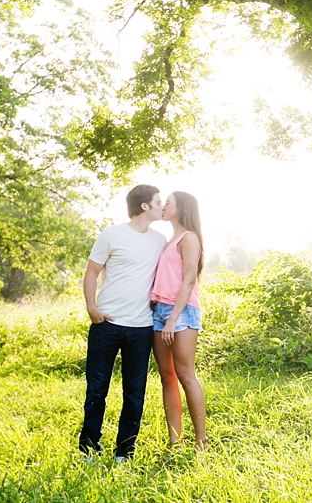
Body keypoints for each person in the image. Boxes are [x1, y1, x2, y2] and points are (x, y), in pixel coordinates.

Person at [78, 184, 166, 463]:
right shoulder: (112, 234)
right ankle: (89, 448)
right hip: (107, 324)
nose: (162, 206)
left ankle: (124, 452)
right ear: (144, 206)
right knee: (96, 389)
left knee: (134, 393)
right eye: (158, 202)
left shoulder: (160, 241)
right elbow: (91, 273)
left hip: (141, 328)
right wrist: (92, 308)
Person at [151, 191, 209, 451]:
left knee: (186, 374)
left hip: (182, 313)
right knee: (167, 375)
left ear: (181, 208)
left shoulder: (189, 238)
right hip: (159, 311)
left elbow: (188, 281)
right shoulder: (166, 240)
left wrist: (173, 319)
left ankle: (201, 440)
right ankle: (175, 440)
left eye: (169, 202)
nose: (163, 206)